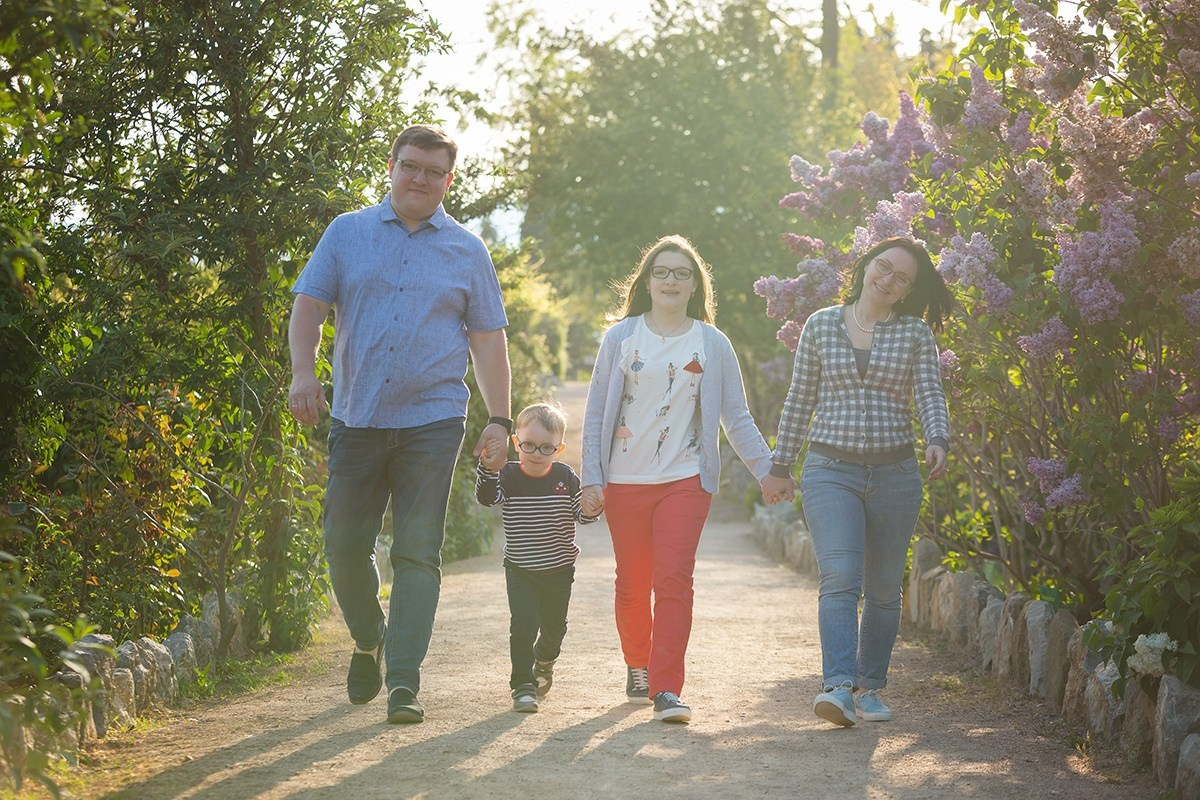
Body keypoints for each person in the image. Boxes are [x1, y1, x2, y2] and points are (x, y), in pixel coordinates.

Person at [288, 125, 511, 725]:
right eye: (410, 166)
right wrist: (303, 374)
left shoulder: (467, 250)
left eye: (433, 171)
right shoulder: (348, 233)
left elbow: (488, 339)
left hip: (432, 422)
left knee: (417, 551)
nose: (419, 179)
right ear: (391, 166)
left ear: (448, 179)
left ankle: (404, 683)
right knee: (343, 545)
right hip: (357, 417)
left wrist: (500, 419)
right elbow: (308, 304)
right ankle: (369, 639)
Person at [581, 234, 782, 725]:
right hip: (625, 480)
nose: (671, 280)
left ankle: (667, 687)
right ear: (647, 282)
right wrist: (592, 477)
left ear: (696, 285)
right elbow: (594, 415)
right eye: (662, 272)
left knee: (673, 580)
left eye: (682, 273)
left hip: (685, 479)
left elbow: (735, 416)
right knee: (632, 583)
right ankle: (638, 664)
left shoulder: (712, 343)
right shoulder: (620, 338)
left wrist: (766, 468)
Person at [764, 236, 953, 728]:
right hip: (831, 470)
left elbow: (930, 393)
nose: (887, 280)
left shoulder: (914, 334)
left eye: (901, 278)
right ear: (867, 264)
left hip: (895, 474)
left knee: (885, 589)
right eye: (883, 267)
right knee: (841, 578)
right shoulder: (821, 324)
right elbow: (799, 398)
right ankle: (838, 687)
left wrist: (938, 438)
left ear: (909, 290)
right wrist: (780, 465)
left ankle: (871, 687)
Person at [475, 402, 598, 713]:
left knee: (555, 628)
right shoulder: (509, 475)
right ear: (516, 442)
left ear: (558, 449)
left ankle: (544, 659)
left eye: (546, 448)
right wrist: (488, 470)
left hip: (559, 569)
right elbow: (488, 498)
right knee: (523, 625)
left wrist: (591, 508)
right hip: (520, 568)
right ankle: (523, 686)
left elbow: (578, 515)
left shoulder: (565, 476)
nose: (536, 454)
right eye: (528, 445)